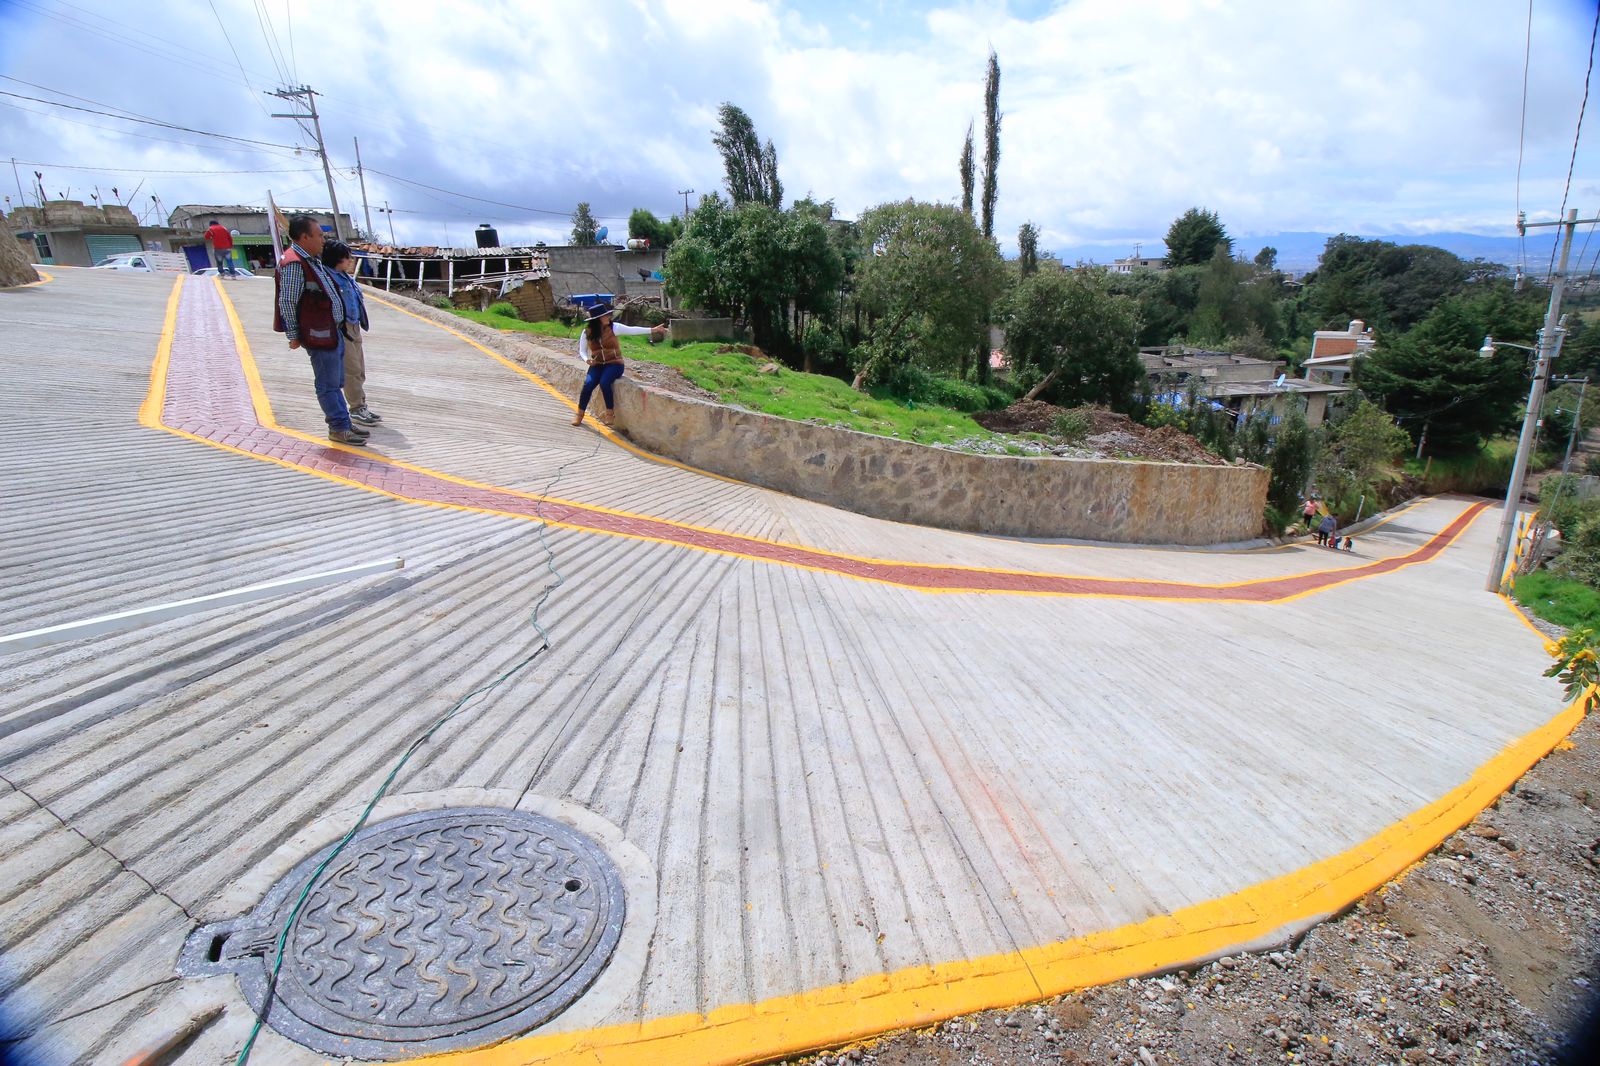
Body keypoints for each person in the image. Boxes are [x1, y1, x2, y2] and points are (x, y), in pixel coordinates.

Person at [273, 216, 366, 446]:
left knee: (336, 381)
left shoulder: (311, 260)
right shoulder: (295, 263)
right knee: (327, 384)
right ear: (305, 237)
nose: (323, 240)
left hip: (331, 331)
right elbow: (288, 301)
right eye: (319, 235)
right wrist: (293, 335)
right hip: (319, 333)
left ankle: (343, 422)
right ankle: (338, 428)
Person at [572, 302, 666, 426]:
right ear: (597, 319)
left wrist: (653, 330)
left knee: (604, 382)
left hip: (614, 364)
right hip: (597, 364)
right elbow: (582, 350)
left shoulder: (614, 327)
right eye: (604, 316)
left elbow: (633, 330)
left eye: (608, 315)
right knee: (588, 384)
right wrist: (586, 360)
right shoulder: (587, 332)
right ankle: (579, 414)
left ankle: (610, 413)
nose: (608, 318)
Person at [321, 240, 382, 426]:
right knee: (352, 370)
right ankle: (356, 408)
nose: (351, 260)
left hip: (354, 326)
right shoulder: (327, 278)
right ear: (338, 259)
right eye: (348, 257)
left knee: (360, 369)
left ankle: (360, 405)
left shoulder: (345, 277)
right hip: (341, 329)